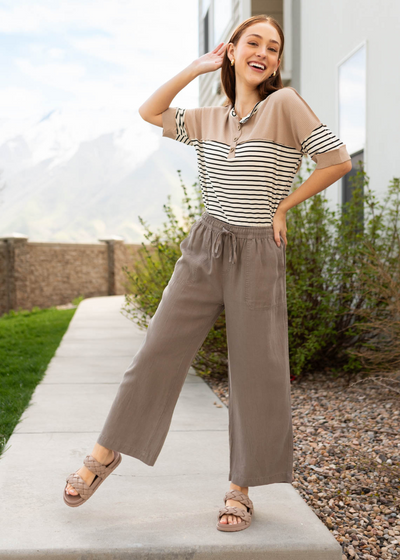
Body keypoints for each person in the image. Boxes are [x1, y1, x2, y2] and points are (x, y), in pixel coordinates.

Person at [63, 14, 352, 532]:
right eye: (253, 43)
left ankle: (240, 488)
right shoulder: (209, 117)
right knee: (156, 351)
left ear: (277, 62)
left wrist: (283, 207)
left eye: (274, 47)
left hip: (258, 250)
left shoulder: (284, 106)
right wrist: (195, 67)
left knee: (256, 373)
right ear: (233, 50)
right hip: (205, 246)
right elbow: (150, 111)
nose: (263, 52)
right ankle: (105, 453)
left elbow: (335, 160)